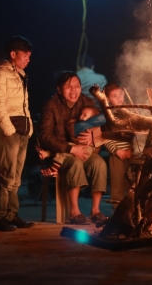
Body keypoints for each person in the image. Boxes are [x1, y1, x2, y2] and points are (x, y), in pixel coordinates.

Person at [39, 72, 108, 225]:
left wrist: (93, 136)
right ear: (59, 89)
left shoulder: (86, 101)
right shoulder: (51, 106)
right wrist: (71, 149)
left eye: (77, 86)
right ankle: (74, 212)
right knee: (75, 163)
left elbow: (100, 122)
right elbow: (45, 136)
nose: (74, 90)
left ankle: (95, 211)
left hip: (83, 150)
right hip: (60, 152)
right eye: (69, 87)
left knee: (99, 164)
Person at [0, 35, 35, 231]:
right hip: (12, 129)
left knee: (16, 176)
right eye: (25, 55)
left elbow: (24, 105)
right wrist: (8, 129)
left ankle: (11, 214)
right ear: (13, 54)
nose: (28, 59)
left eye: (29, 56)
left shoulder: (20, 74)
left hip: (22, 129)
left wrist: (29, 126)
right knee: (7, 174)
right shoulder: (2, 73)